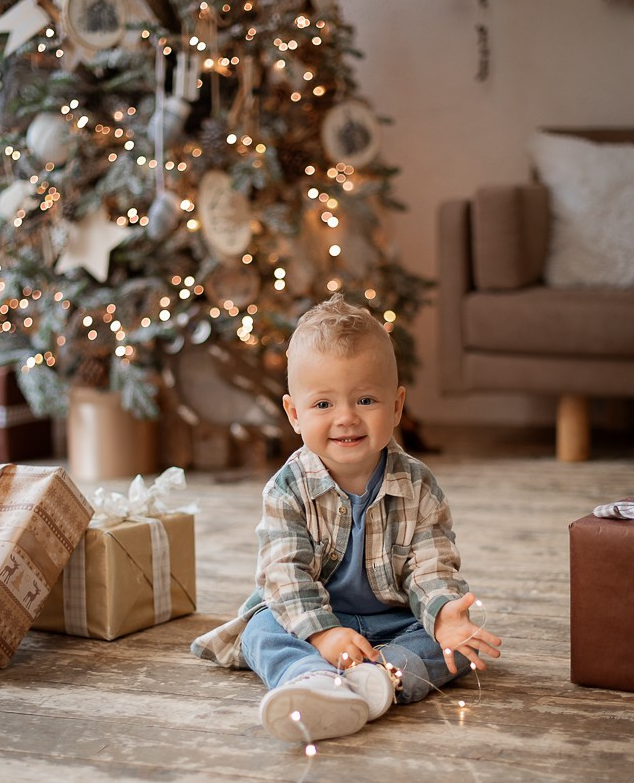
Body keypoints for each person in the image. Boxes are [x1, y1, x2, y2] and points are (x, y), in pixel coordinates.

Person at [191, 294, 502, 743]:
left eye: (366, 399)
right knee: (261, 628)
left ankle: (383, 680)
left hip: (393, 621)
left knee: (453, 642)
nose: (346, 418)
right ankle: (310, 679)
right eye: (323, 405)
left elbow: (430, 567)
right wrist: (322, 634)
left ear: (396, 408)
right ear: (294, 414)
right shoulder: (287, 488)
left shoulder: (418, 484)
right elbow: (284, 575)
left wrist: (441, 615)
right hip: (308, 618)